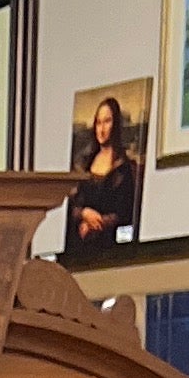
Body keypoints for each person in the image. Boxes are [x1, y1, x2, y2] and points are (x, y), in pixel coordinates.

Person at [65, 96, 142, 257]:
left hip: (110, 248)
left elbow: (125, 212)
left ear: (116, 124)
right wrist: (84, 214)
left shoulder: (125, 167)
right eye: (98, 122)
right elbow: (71, 204)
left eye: (107, 121)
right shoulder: (84, 163)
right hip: (79, 245)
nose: (102, 128)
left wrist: (97, 223)